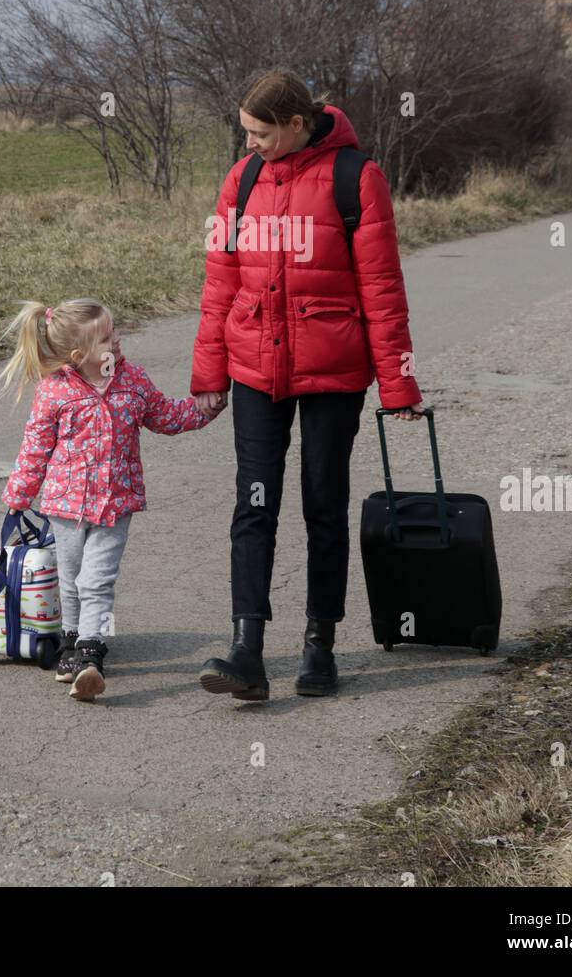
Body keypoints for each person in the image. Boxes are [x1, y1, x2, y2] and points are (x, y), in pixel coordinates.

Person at [191, 69, 424, 701]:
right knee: (255, 503)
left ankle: (319, 647)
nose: (250, 146)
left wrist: (398, 382)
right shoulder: (241, 182)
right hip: (254, 372)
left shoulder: (357, 179)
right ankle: (247, 650)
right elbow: (220, 284)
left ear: (298, 124)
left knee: (323, 506)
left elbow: (382, 290)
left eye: (261, 134)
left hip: (332, 374)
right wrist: (210, 373)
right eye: (245, 133)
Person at [0, 297, 215, 702]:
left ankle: (91, 655)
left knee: (96, 581)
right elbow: (35, 448)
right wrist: (19, 495)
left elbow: (165, 416)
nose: (117, 341)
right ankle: (71, 641)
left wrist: (203, 410)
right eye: (107, 338)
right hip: (64, 506)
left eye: (115, 333)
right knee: (72, 581)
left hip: (116, 504)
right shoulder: (55, 391)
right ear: (80, 356)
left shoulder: (133, 381)